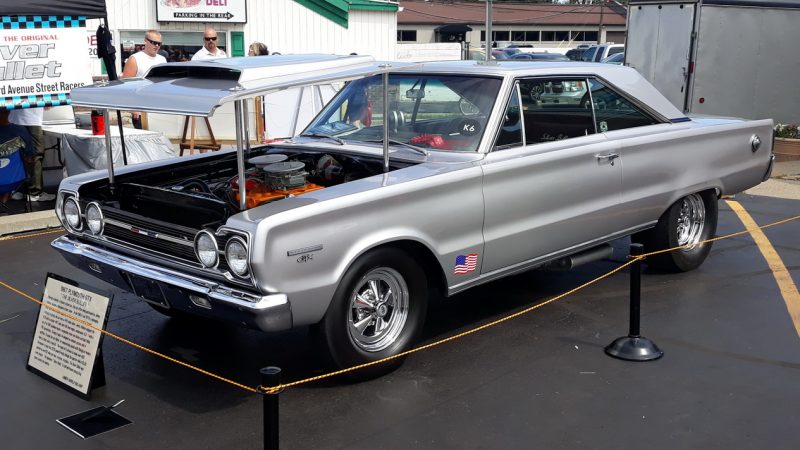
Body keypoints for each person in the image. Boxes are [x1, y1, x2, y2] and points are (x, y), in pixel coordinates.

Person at [122, 30, 167, 129]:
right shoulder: (135, 59)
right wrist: (133, 108)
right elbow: (125, 86)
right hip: (141, 109)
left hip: (158, 107)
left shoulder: (162, 59)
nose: (156, 46)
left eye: (159, 43)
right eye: (153, 42)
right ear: (145, 41)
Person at [8, 107, 53, 201]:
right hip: (31, 120)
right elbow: (47, 105)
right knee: (36, 155)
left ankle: (18, 190)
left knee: (17, 155)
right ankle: (34, 192)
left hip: (14, 119)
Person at [1, 108, 39, 203]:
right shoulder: (20, 130)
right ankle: (6, 194)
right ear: (9, 111)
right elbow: (30, 158)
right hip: (15, 180)